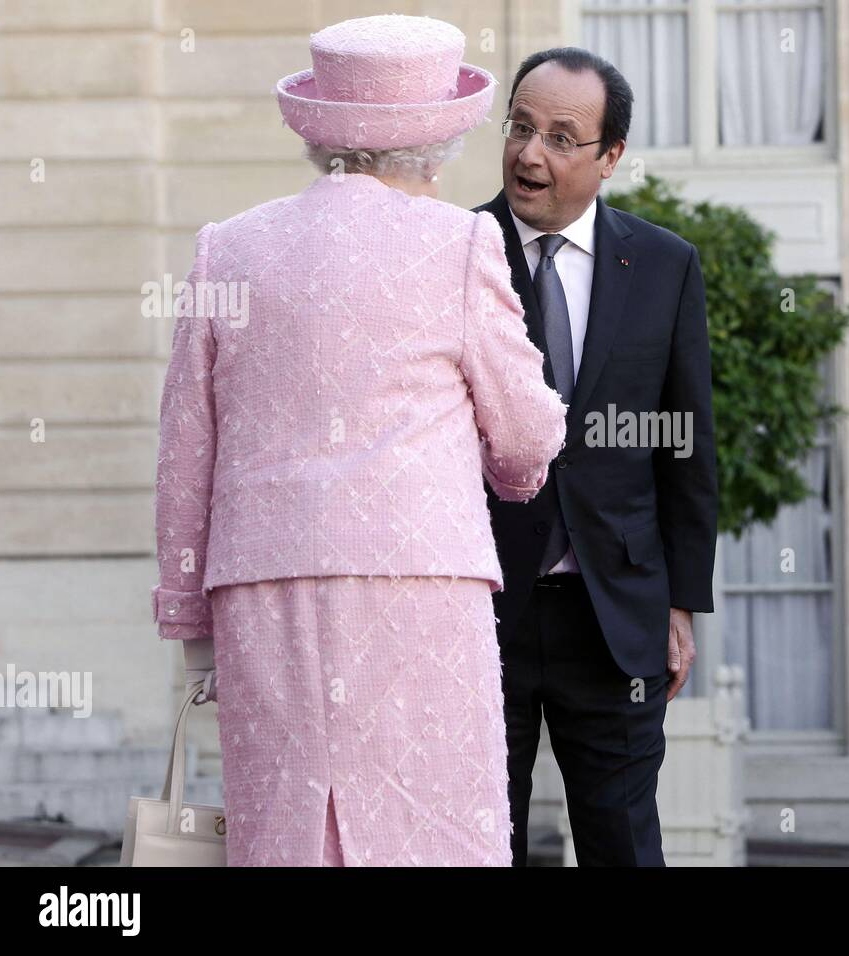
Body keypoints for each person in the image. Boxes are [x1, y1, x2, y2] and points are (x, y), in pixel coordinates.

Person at [150, 14, 566, 866]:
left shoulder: (227, 249)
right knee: (432, 834)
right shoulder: (464, 243)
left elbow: (185, 448)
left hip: (264, 589)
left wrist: (187, 610)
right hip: (420, 583)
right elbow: (526, 431)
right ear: (438, 146)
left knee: (287, 833)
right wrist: (515, 476)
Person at [474, 48, 718, 866]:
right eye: (519, 127)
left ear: (610, 158)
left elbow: (686, 444)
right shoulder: (453, 252)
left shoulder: (664, 264)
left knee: (623, 845)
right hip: (479, 611)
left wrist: (680, 603)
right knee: (477, 843)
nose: (528, 154)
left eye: (559, 137)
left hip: (613, 614)